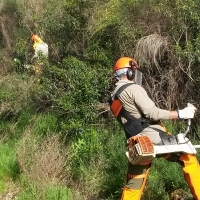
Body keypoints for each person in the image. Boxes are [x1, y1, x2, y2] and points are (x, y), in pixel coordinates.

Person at [108, 57, 200, 200]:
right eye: (134, 71)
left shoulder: (113, 97)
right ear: (130, 72)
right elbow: (152, 113)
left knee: (134, 182)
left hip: (136, 144)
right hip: (154, 139)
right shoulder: (133, 89)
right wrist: (180, 113)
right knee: (188, 158)